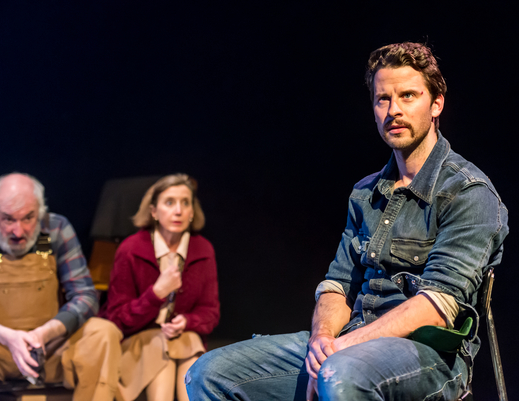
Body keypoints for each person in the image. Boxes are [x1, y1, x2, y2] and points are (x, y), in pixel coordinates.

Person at [185, 42, 509, 400]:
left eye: (408, 96)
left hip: (430, 357)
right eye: (382, 99)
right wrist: (322, 341)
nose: (394, 110)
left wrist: (339, 353)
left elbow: (436, 305)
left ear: (436, 104)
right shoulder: (365, 192)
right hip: (350, 342)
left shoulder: (469, 193)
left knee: (340, 374)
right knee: (209, 372)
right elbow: (338, 285)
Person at [0, 173, 122, 401]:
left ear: (40, 211)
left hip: (48, 351)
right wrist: (8, 338)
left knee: (103, 332)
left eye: (28, 218)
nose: (19, 231)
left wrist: (44, 334)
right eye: (8, 219)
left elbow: (85, 296)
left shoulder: (54, 228)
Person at [98, 174, 220, 401]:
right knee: (158, 346)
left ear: (192, 212)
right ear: (153, 211)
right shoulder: (131, 249)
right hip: (139, 344)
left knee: (191, 340)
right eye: (170, 202)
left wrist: (187, 321)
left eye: (186, 203)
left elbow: (210, 312)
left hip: (184, 341)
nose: (179, 211)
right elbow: (117, 317)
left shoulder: (203, 249)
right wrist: (155, 295)